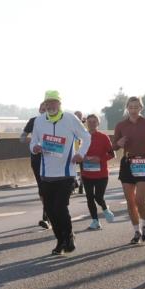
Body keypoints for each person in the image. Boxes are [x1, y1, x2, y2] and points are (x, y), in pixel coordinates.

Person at [29, 90, 91, 255]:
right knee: (50, 210)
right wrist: (34, 148)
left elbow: (86, 136)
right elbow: (33, 141)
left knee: (60, 207)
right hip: (46, 173)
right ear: (44, 104)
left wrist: (80, 154)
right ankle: (60, 240)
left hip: (66, 172)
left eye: (54, 102)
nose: (50, 105)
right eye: (48, 102)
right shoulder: (39, 121)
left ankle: (68, 236)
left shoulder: (70, 119)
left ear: (59, 103)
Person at [112, 97, 145, 245]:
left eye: (136, 107)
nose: (133, 109)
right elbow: (113, 146)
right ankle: (136, 231)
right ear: (127, 108)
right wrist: (118, 144)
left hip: (144, 162)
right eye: (131, 107)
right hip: (127, 162)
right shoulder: (121, 125)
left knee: (140, 200)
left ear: (141, 108)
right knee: (130, 201)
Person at [81, 114, 116, 230]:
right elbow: (77, 152)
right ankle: (95, 221)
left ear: (98, 123)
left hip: (101, 174)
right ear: (86, 123)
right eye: (89, 121)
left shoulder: (103, 137)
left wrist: (99, 159)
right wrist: (81, 157)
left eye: (94, 121)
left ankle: (105, 209)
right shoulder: (82, 137)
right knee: (89, 197)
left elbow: (112, 154)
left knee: (98, 197)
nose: (91, 123)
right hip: (87, 173)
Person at [21, 101, 50, 229]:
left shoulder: (56, 122)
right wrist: (31, 140)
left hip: (52, 158)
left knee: (51, 186)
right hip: (37, 158)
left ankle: (49, 215)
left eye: (47, 109)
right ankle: (47, 215)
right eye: (42, 109)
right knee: (42, 187)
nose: (44, 111)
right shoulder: (33, 121)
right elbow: (22, 137)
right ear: (39, 110)